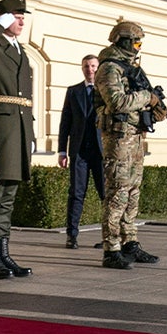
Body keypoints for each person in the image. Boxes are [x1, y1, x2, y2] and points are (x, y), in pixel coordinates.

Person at [94, 21, 161, 270]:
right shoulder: (109, 68)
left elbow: (141, 99)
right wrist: (147, 98)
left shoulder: (131, 68)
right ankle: (111, 249)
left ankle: (129, 242)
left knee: (133, 192)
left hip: (135, 136)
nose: (138, 47)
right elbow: (116, 101)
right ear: (123, 41)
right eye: (136, 43)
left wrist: (155, 107)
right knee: (118, 193)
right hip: (118, 139)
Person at [0, 0, 35, 279]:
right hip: (1, 131)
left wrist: (30, 134)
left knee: (8, 198)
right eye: (16, 16)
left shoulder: (19, 49)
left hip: (19, 131)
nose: (21, 21)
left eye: (23, 17)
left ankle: (3, 254)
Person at [57, 54, 105, 249]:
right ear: (82, 68)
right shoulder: (73, 91)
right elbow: (65, 122)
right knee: (76, 194)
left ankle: (109, 237)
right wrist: (62, 150)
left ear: (98, 68)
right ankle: (72, 236)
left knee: (106, 194)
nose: (90, 69)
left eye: (93, 66)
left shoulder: (106, 91)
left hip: (101, 153)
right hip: (79, 152)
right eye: (86, 66)